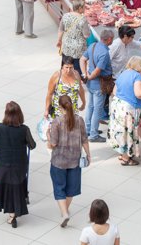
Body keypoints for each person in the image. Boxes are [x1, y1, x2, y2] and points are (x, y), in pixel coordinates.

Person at [0, 101, 37, 228]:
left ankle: (12, 214)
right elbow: (32, 145)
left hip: (2, 166)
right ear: (20, 114)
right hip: (19, 167)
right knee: (16, 186)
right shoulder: (24, 129)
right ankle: (14, 213)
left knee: (6, 186)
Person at [47, 94, 90, 228]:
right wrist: (88, 155)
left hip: (59, 161)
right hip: (75, 160)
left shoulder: (56, 122)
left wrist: (47, 134)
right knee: (71, 188)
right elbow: (84, 140)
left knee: (59, 187)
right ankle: (65, 210)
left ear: (60, 107)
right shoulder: (79, 120)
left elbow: (52, 144)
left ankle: (65, 213)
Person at [108, 56, 141, 166]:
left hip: (117, 105)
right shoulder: (137, 76)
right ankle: (126, 158)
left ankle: (121, 153)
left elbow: (115, 91)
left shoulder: (123, 73)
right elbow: (139, 94)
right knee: (128, 132)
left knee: (120, 131)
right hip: (128, 108)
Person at [80, 29, 114, 143]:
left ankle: (87, 130)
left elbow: (82, 59)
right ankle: (93, 135)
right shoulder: (104, 53)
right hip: (100, 85)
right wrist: (89, 76)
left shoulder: (93, 45)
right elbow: (98, 70)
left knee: (90, 107)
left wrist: (85, 74)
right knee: (97, 110)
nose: (112, 41)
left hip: (90, 85)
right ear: (108, 39)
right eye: (112, 39)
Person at [56, 0, 91, 71]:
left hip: (66, 46)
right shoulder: (83, 19)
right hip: (78, 49)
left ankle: (65, 80)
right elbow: (86, 35)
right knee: (77, 69)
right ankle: (77, 81)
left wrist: (59, 40)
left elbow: (61, 29)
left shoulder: (65, 16)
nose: (85, 9)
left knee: (66, 66)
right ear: (80, 8)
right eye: (84, 7)